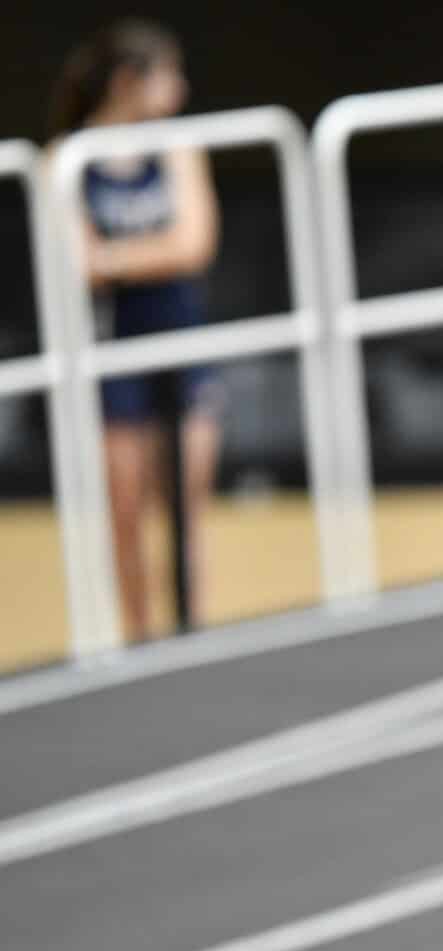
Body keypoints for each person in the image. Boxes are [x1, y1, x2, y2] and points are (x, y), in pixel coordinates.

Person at [48, 18, 222, 642]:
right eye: (168, 75)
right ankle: (138, 639)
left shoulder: (177, 147)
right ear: (128, 82)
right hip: (113, 354)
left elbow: (194, 243)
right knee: (124, 513)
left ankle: (192, 633)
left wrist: (118, 257)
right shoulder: (68, 159)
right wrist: (145, 253)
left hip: (182, 342)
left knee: (186, 513)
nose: (180, 89)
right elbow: (76, 264)